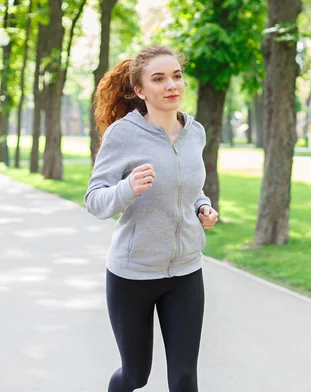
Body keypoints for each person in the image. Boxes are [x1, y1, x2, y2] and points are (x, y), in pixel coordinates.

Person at [84, 45, 219, 392]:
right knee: (135, 375)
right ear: (140, 90)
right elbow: (95, 201)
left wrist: (203, 207)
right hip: (133, 274)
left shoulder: (195, 132)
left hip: (186, 271)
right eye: (158, 79)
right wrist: (128, 188)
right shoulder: (122, 134)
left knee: (185, 378)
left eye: (176, 76)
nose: (171, 85)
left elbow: (191, 188)